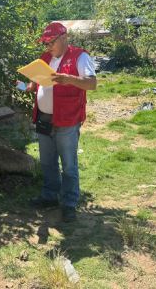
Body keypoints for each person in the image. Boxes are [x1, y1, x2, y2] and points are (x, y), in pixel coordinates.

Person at [25, 22, 97, 222]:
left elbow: (92, 84)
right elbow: (37, 84)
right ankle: (49, 196)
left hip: (67, 120)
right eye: (45, 43)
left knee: (68, 164)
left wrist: (70, 79)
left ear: (63, 38)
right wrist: (29, 85)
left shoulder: (80, 56)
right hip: (44, 118)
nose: (47, 47)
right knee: (47, 162)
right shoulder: (45, 58)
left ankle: (69, 203)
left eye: (50, 42)